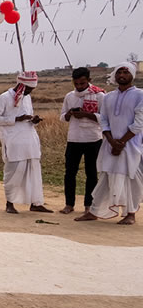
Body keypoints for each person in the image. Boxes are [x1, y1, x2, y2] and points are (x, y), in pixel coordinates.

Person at [75, 61, 143, 225]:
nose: (122, 76)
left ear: (132, 75)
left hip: (131, 146)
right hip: (110, 145)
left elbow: (139, 122)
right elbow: (103, 120)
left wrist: (122, 143)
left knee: (131, 179)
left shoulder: (140, 95)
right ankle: (94, 211)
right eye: (119, 72)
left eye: (125, 73)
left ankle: (130, 213)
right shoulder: (109, 97)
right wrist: (112, 142)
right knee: (105, 177)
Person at [0, 71, 53, 214]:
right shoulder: (4, 97)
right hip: (13, 141)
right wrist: (16, 119)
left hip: (29, 140)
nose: (30, 92)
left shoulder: (27, 97)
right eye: (28, 89)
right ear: (21, 85)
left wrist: (33, 120)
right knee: (13, 172)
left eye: (32, 90)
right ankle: (10, 203)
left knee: (34, 172)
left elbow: (27, 116)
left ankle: (35, 203)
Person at [59, 67, 105, 214]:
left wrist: (86, 115)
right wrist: (70, 113)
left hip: (93, 138)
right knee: (70, 173)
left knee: (91, 173)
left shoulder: (100, 96)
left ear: (89, 81)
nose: (79, 86)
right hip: (74, 139)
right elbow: (62, 117)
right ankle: (69, 204)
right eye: (76, 83)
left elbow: (104, 118)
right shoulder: (69, 96)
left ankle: (89, 205)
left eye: (82, 83)